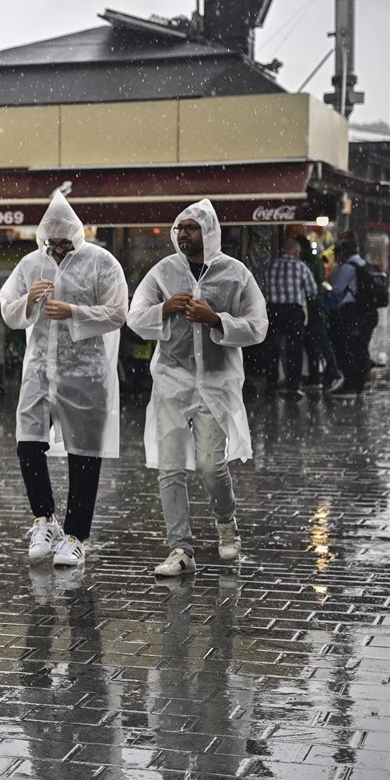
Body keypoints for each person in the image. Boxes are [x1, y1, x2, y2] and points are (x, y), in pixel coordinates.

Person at [126, 199, 268, 576]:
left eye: (191, 227)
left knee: (209, 465)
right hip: (171, 379)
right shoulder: (163, 272)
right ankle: (180, 549)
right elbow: (134, 317)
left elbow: (258, 326)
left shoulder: (235, 274)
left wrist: (216, 319)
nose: (183, 234)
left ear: (209, 232)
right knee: (170, 466)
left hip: (217, 381)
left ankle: (226, 522)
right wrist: (164, 309)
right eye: (180, 228)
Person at [0, 192, 128, 568]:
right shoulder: (30, 264)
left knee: (84, 455)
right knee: (28, 444)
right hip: (39, 370)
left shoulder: (101, 262)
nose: (57, 248)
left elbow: (117, 312)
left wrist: (74, 311)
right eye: (51, 241)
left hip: (86, 373)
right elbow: (8, 307)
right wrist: (28, 301)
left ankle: (75, 536)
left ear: (76, 235)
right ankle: (45, 518)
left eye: (63, 242)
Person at [259, 234, 317, 399]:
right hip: (293, 312)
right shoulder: (301, 267)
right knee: (294, 350)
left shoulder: (269, 266)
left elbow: (261, 290)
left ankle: (271, 386)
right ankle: (293, 387)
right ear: (296, 252)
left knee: (272, 349)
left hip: (273, 310)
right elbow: (312, 292)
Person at [327, 238, 380, 396]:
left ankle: (350, 383)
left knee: (348, 347)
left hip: (352, 312)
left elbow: (336, 289)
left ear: (344, 253)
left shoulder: (347, 267)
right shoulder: (366, 265)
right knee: (361, 347)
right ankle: (360, 382)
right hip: (370, 312)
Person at [297, 233, 341, 390]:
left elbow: (311, 287)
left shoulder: (307, 261)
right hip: (316, 305)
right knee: (315, 340)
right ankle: (316, 375)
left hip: (312, 306)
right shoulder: (314, 259)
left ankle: (332, 372)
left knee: (318, 340)